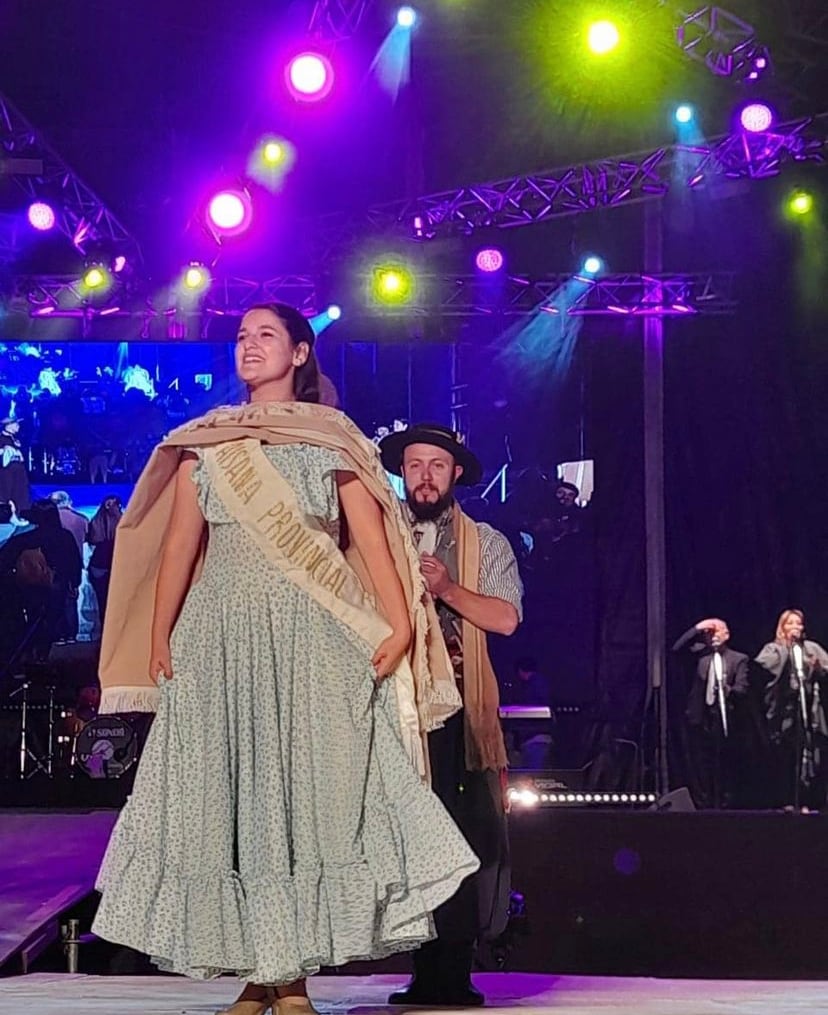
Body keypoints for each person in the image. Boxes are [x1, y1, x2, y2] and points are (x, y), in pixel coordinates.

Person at [91, 304, 479, 1015]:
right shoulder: (207, 441)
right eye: (241, 336)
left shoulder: (330, 437)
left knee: (303, 797)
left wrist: (397, 624)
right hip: (218, 634)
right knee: (230, 798)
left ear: (301, 353)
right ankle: (256, 972)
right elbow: (181, 544)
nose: (248, 346)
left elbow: (370, 534)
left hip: (311, 636)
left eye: (264, 335)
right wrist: (159, 634)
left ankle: (289, 975)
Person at [379, 422, 523, 1007]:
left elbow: (506, 619)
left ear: (455, 472)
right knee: (410, 840)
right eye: (415, 465)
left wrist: (447, 589)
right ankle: (421, 966)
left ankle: (454, 970)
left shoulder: (486, 541)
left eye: (436, 465)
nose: (425, 476)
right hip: (398, 712)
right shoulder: (381, 537)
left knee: (464, 838)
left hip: (462, 712)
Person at [672, 618, 749, 808]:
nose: (714, 636)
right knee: (700, 763)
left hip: (724, 717)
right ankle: (703, 803)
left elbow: (743, 688)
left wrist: (726, 688)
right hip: (700, 716)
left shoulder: (737, 659)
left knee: (723, 763)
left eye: (718, 631)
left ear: (727, 635)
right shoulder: (700, 656)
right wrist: (699, 627)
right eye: (710, 633)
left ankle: (724, 803)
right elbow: (676, 649)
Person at [756, 609, 828, 811]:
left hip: (810, 710)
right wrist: (788, 650)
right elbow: (764, 667)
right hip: (785, 711)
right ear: (782, 627)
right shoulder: (774, 648)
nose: (796, 627)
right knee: (787, 756)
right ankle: (787, 800)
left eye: (799, 623)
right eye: (791, 623)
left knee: (812, 754)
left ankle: (810, 801)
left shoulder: (811, 648)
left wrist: (817, 667)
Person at [0, 499, 82, 662]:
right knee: (53, 619)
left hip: (32, 585)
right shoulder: (64, 536)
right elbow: (74, 561)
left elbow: (5, 557)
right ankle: (44, 655)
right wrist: (75, 582)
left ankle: (34, 653)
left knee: (34, 618)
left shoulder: (26, 537)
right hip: (59, 583)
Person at [50, 491, 89, 642]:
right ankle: (72, 634)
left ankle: (58, 634)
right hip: (74, 564)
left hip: (53, 565)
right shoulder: (81, 519)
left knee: (54, 601)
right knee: (71, 599)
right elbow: (87, 537)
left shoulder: (49, 519)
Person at [86, 495, 122, 627]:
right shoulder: (123, 522)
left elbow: (91, 540)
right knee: (118, 602)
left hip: (98, 564)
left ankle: (105, 629)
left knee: (102, 601)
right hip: (117, 564)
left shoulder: (95, 521)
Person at [0, 414, 31, 511]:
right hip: (7, 472)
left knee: (21, 492)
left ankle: (21, 512)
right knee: (6, 493)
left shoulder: (17, 439)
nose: (18, 426)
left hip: (19, 472)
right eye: (16, 424)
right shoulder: (1, 439)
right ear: (8, 425)